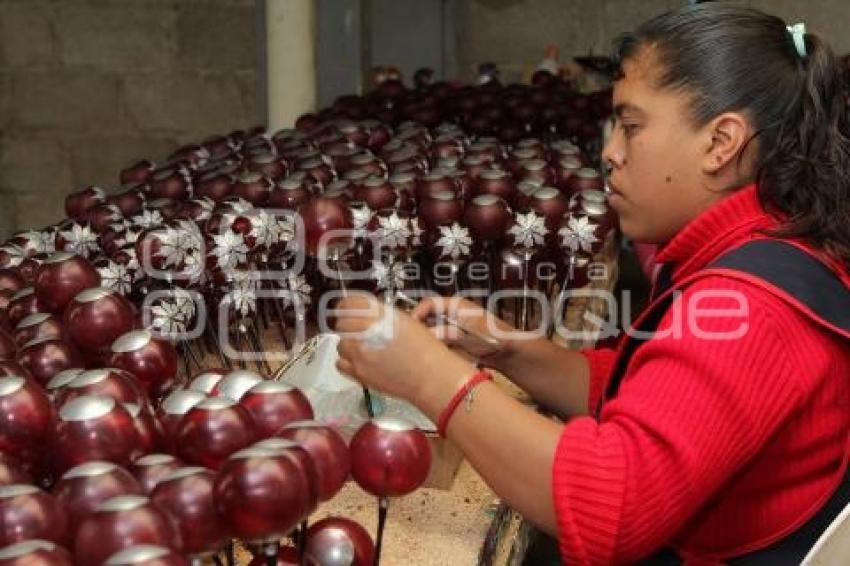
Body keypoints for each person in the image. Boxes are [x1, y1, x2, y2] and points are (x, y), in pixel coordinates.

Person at [334, 4, 850, 564]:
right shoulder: (758, 248)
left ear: (721, 142)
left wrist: (430, 378)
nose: (610, 152)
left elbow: (614, 506)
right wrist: (510, 351)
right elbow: (652, 394)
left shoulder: (750, 308)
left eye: (631, 127)